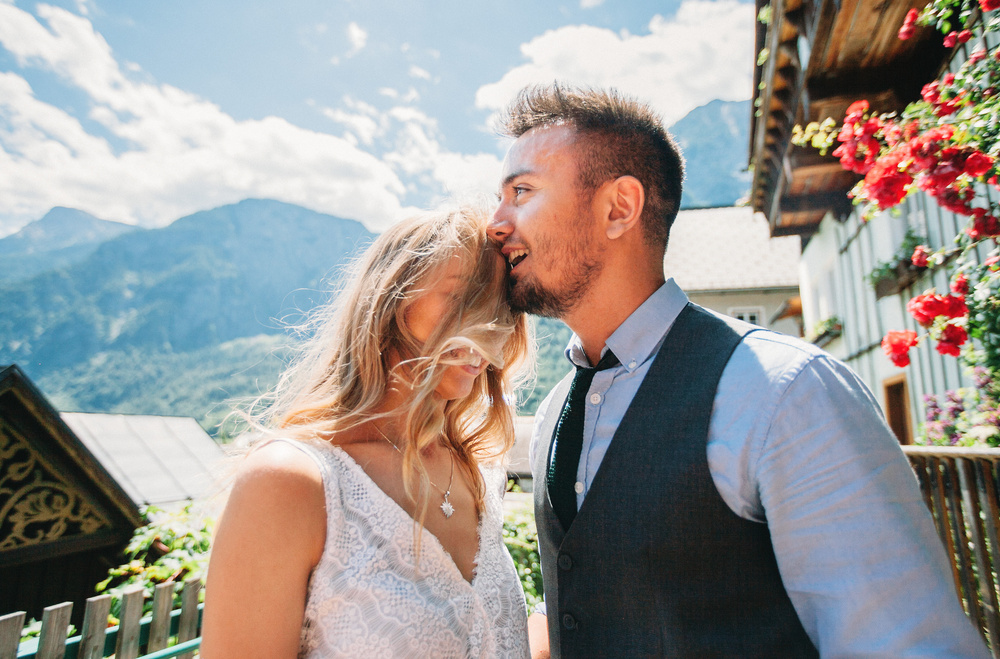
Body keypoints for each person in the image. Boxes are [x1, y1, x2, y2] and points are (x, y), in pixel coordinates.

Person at [488, 84, 990, 658]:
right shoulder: (556, 410)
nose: (495, 224)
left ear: (618, 208)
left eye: (521, 192)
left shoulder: (787, 392)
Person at [201, 205, 533, 658]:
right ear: (392, 302)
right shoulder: (291, 483)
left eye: (501, 309)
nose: (488, 328)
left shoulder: (474, 469)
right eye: (461, 300)